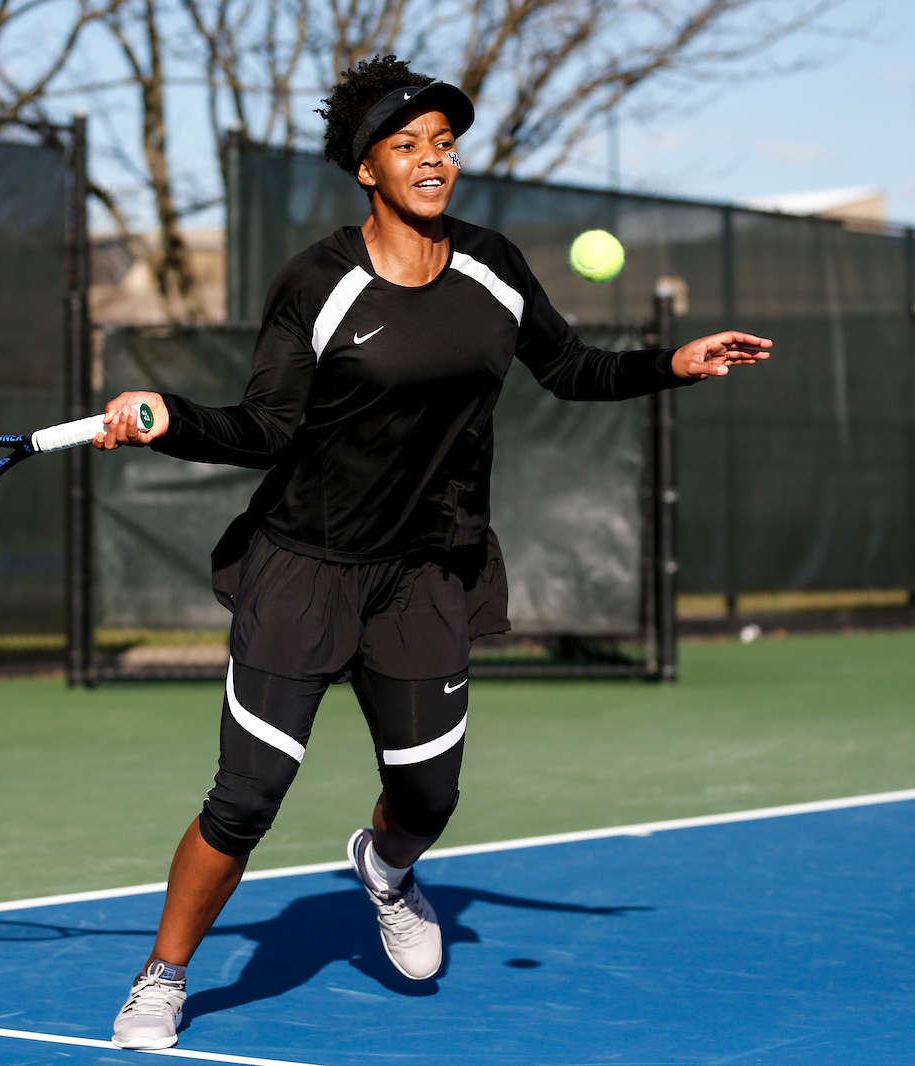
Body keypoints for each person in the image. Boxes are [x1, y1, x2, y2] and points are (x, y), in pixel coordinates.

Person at [94, 55, 770, 1050]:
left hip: (426, 568)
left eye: (444, 144)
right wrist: (168, 416)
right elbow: (267, 426)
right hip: (305, 566)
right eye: (408, 145)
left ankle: (388, 869)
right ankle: (165, 972)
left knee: (428, 795)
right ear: (366, 168)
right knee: (244, 799)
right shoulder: (316, 284)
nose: (432, 160)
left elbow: (570, 366)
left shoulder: (493, 266)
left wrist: (676, 361)